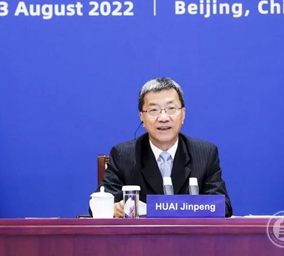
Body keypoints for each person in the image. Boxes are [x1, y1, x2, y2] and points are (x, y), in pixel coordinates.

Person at [99, 77, 232, 218]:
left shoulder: (205, 153)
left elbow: (223, 207)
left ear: (183, 114)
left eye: (171, 109)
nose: (163, 118)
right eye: (154, 110)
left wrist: (170, 208)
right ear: (142, 117)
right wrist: (114, 208)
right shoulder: (123, 155)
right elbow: (101, 204)